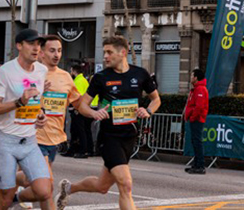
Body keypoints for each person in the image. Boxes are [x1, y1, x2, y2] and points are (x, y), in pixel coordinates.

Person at [56, 36, 161, 210]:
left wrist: (148, 111)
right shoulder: (101, 77)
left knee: (102, 186)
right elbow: (82, 106)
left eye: (109, 52)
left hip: (129, 136)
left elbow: (156, 99)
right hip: (109, 137)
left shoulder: (140, 74)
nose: (105, 56)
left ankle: (68, 188)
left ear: (123, 53)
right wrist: (94, 113)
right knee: (126, 184)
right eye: (104, 52)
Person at [0, 28, 53, 210]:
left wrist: (40, 114)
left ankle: (16, 197)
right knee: (3, 201)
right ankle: (9, 196)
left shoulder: (41, 70)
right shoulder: (5, 72)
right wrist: (19, 102)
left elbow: (35, 100)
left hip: (30, 141)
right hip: (6, 141)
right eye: (31, 44)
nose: (36, 48)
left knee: (44, 191)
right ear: (19, 46)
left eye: (39, 44)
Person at [15, 35, 82, 210]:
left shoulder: (66, 77)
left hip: (54, 137)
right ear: (41, 52)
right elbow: (16, 102)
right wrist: (36, 92)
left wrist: (99, 110)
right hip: (32, 136)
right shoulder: (29, 72)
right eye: (52, 50)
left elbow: (79, 103)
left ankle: (9, 191)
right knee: (48, 185)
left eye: (59, 51)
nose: (56, 54)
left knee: (35, 182)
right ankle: (9, 188)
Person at [183, 68, 208, 175]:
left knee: (197, 142)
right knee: (195, 141)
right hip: (194, 119)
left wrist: (192, 117)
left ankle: (200, 166)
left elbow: (199, 107)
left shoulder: (200, 89)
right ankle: (196, 164)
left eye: (192, 75)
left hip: (197, 119)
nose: (190, 77)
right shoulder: (196, 88)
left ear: (196, 77)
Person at [68, 64, 96, 158]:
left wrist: (74, 108)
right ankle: (88, 149)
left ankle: (83, 150)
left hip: (83, 108)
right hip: (90, 107)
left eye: (71, 70)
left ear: (73, 71)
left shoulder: (78, 81)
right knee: (86, 130)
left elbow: (77, 97)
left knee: (81, 130)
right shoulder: (82, 80)